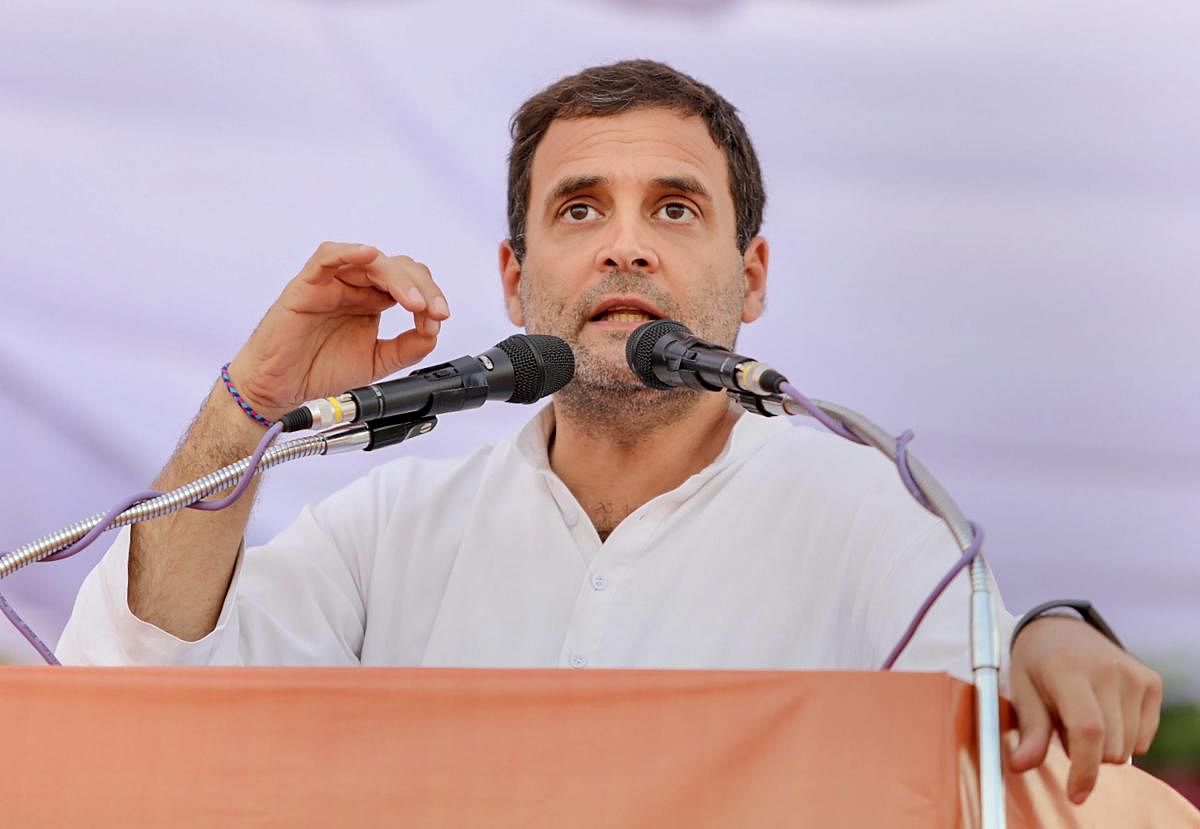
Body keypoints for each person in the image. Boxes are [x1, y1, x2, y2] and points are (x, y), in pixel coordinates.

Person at [59, 59, 1161, 804]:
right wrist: (252, 395)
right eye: (579, 209)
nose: (624, 248)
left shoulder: (866, 515)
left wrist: (1038, 639)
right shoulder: (390, 527)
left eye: (674, 210)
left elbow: (984, 729)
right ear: (515, 275)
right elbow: (144, 673)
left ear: (752, 277)